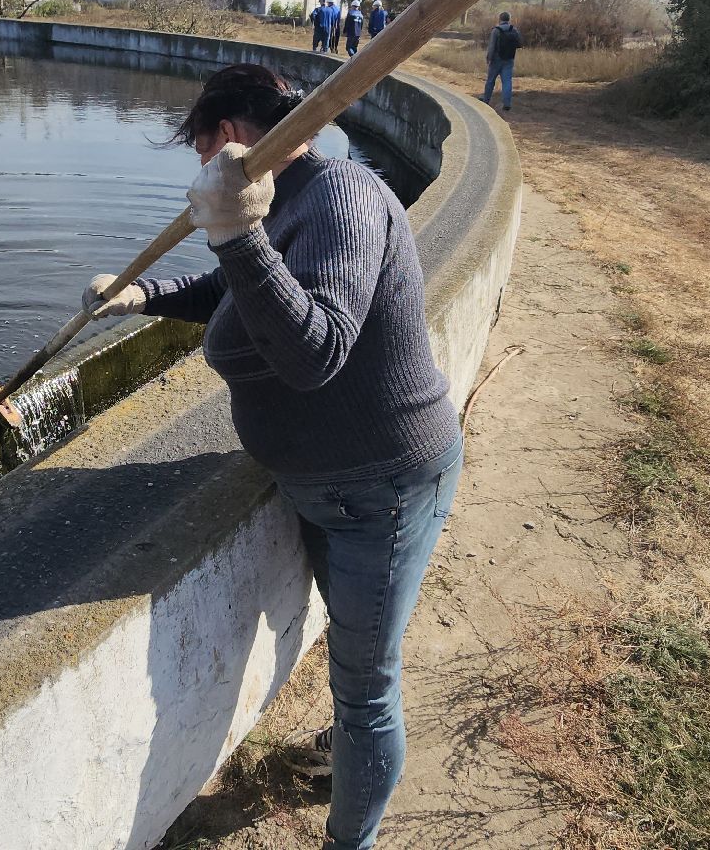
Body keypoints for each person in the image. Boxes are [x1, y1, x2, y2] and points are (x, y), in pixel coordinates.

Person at [82, 64, 462, 850]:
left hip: (381, 486)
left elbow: (313, 349)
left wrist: (236, 231)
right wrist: (145, 296)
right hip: (325, 484)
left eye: (198, 152)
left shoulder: (343, 198)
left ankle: (346, 836)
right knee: (360, 663)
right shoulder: (281, 203)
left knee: (367, 691)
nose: (201, 172)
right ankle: (349, 749)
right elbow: (239, 292)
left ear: (225, 136)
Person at [482, 11, 521, 111]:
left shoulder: (496, 30)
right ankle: (507, 103)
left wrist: (489, 58)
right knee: (507, 81)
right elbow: (519, 43)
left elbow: (492, 46)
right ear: (509, 19)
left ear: (500, 19)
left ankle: (486, 100)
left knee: (490, 81)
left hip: (496, 59)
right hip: (509, 59)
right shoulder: (514, 30)